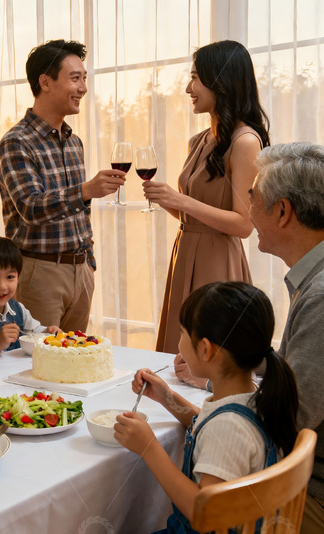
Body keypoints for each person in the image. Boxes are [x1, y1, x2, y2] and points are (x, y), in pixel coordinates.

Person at [115, 282, 298, 533]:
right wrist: (167, 397)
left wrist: (148, 447)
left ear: (205, 349)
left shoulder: (227, 429)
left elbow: (205, 512)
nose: (179, 341)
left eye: (182, 333)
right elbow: (209, 422)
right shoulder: (253, 396)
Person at [147, 40, 269, 362]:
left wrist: (182, 201)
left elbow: (244, 225)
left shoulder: (245, 142)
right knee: (177, 354)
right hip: (185, 251)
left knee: (208, 356)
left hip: (217, 260)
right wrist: (166, 200)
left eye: (196, 78)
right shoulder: (199, 139)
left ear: (221, 82)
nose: (189, 87)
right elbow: (195, 216)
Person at [0, 39, 126, 333]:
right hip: (40, 271)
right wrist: (85, 191)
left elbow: (79, 213)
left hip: (80, 270)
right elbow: (30, 206)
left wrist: (88, 263)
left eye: (84, 79)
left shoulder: (73, 141)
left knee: (73, 362)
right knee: (38, 365)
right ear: (46, 82)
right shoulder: (17, 142)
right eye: (75, 78)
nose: (83, 88)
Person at [248, 142, 324, 534]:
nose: (248, 213)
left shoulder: (321, 295)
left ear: (282, 211)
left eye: (253, 199)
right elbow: (299, 363)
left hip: (312, 493)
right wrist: (238, 360)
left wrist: (217, 389)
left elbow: (290, 417)